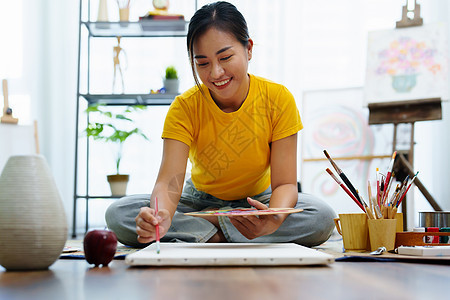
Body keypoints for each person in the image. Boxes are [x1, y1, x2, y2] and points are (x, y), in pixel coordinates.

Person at [106, 1, 336, 248]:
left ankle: (207, 231)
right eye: (202, 63)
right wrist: (160, 217)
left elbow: (285, 184)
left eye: (225, 57)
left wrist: (274, 218)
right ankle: (227, 231)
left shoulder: (278, 99)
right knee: (119, 213)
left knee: (321, 217)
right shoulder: (184, 107)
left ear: (248, 48)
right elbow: (169, 183)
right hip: (198, 202)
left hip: (258, 202)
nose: (215, 73)